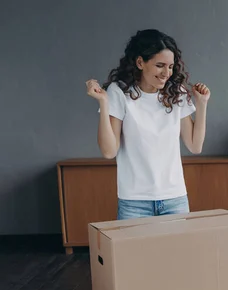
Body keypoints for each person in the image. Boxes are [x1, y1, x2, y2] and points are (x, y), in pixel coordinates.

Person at [85, 29, 210, 220]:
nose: (166, 73)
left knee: (177, 251)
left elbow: (195, 146)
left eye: (170, 66)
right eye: (160, 65)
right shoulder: (119, 92)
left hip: (174, 198)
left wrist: (201, 105)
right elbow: (109, 151)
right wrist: (104, 102)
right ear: (140, 62)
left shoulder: (177, 91)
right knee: (133, 252)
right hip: (134, 202)